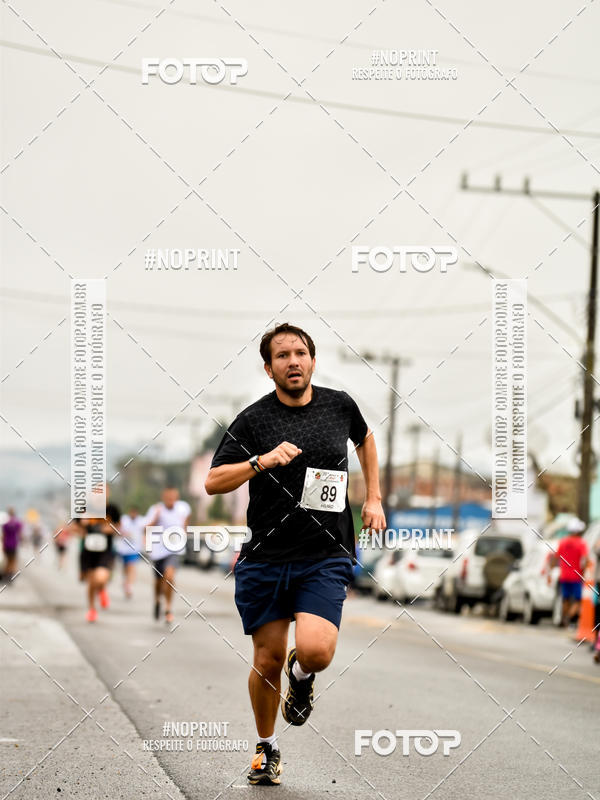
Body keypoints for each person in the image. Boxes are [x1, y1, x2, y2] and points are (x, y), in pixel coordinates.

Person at [205, 323, 385, 787]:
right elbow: (214, 481)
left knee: (316, 649)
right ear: (269, 369)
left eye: (300, 352)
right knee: (266, 659)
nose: (293, 361)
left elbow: (365, 439)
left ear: (313, 360)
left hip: (324, 552)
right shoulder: (252, 421)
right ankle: (266, 748)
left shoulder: (339, 405)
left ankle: (301, 676)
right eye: (282, 355)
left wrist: (374, 498)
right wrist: (261, 460)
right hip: (266, 555)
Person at [145, 488, 191, 624]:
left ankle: (168, 608)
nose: (171, 500)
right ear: (163, 497)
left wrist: (184, 531)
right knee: (158, 581)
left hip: (174, 549)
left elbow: (186, 521)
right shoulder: (155, 509)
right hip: (158, 550)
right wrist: (156, 518)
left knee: (169, 577)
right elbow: (145, 527)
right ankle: (157, 600)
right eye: (168, 497)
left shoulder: (183, 508)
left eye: (174, 497)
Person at [75, 500, 121, 622]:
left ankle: (101, 589)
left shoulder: (112, 509)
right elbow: (75, 526)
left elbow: (118, 527)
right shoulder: (84, 508)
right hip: (88, 550)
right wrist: (82, 527)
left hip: (105, 550)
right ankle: (92, 609)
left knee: (100, 577)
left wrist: (110, 529)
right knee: (91, 581)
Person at [552, 517, 589, 628]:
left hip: (564, 576)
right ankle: (569, 617)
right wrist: (584, 571)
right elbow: (586, 559)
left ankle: (564, 619)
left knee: (565, 599)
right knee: (578, 600)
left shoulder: (563, 542)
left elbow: (555, 557)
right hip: (576, 576)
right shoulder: (581, 543)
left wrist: (550, 568)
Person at [115, 505, 146, 598]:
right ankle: (126, 581)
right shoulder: (123, 519)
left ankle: (129, 586)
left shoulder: (142, 520)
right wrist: (123, 533)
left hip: (135, 548)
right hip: (123, 548)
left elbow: (145, 531)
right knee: (125, 567)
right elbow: (117, 530)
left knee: (131, 566)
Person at [2, 508, 23, 583]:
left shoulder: (5, 524)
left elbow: (3, 536)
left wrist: (3, 545)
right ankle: (10, 576)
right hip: (13, 544)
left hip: (6, 544)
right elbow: (20, 535)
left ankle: (5, 576)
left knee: (7, 561)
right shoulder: (18, 524)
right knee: (13, 561)